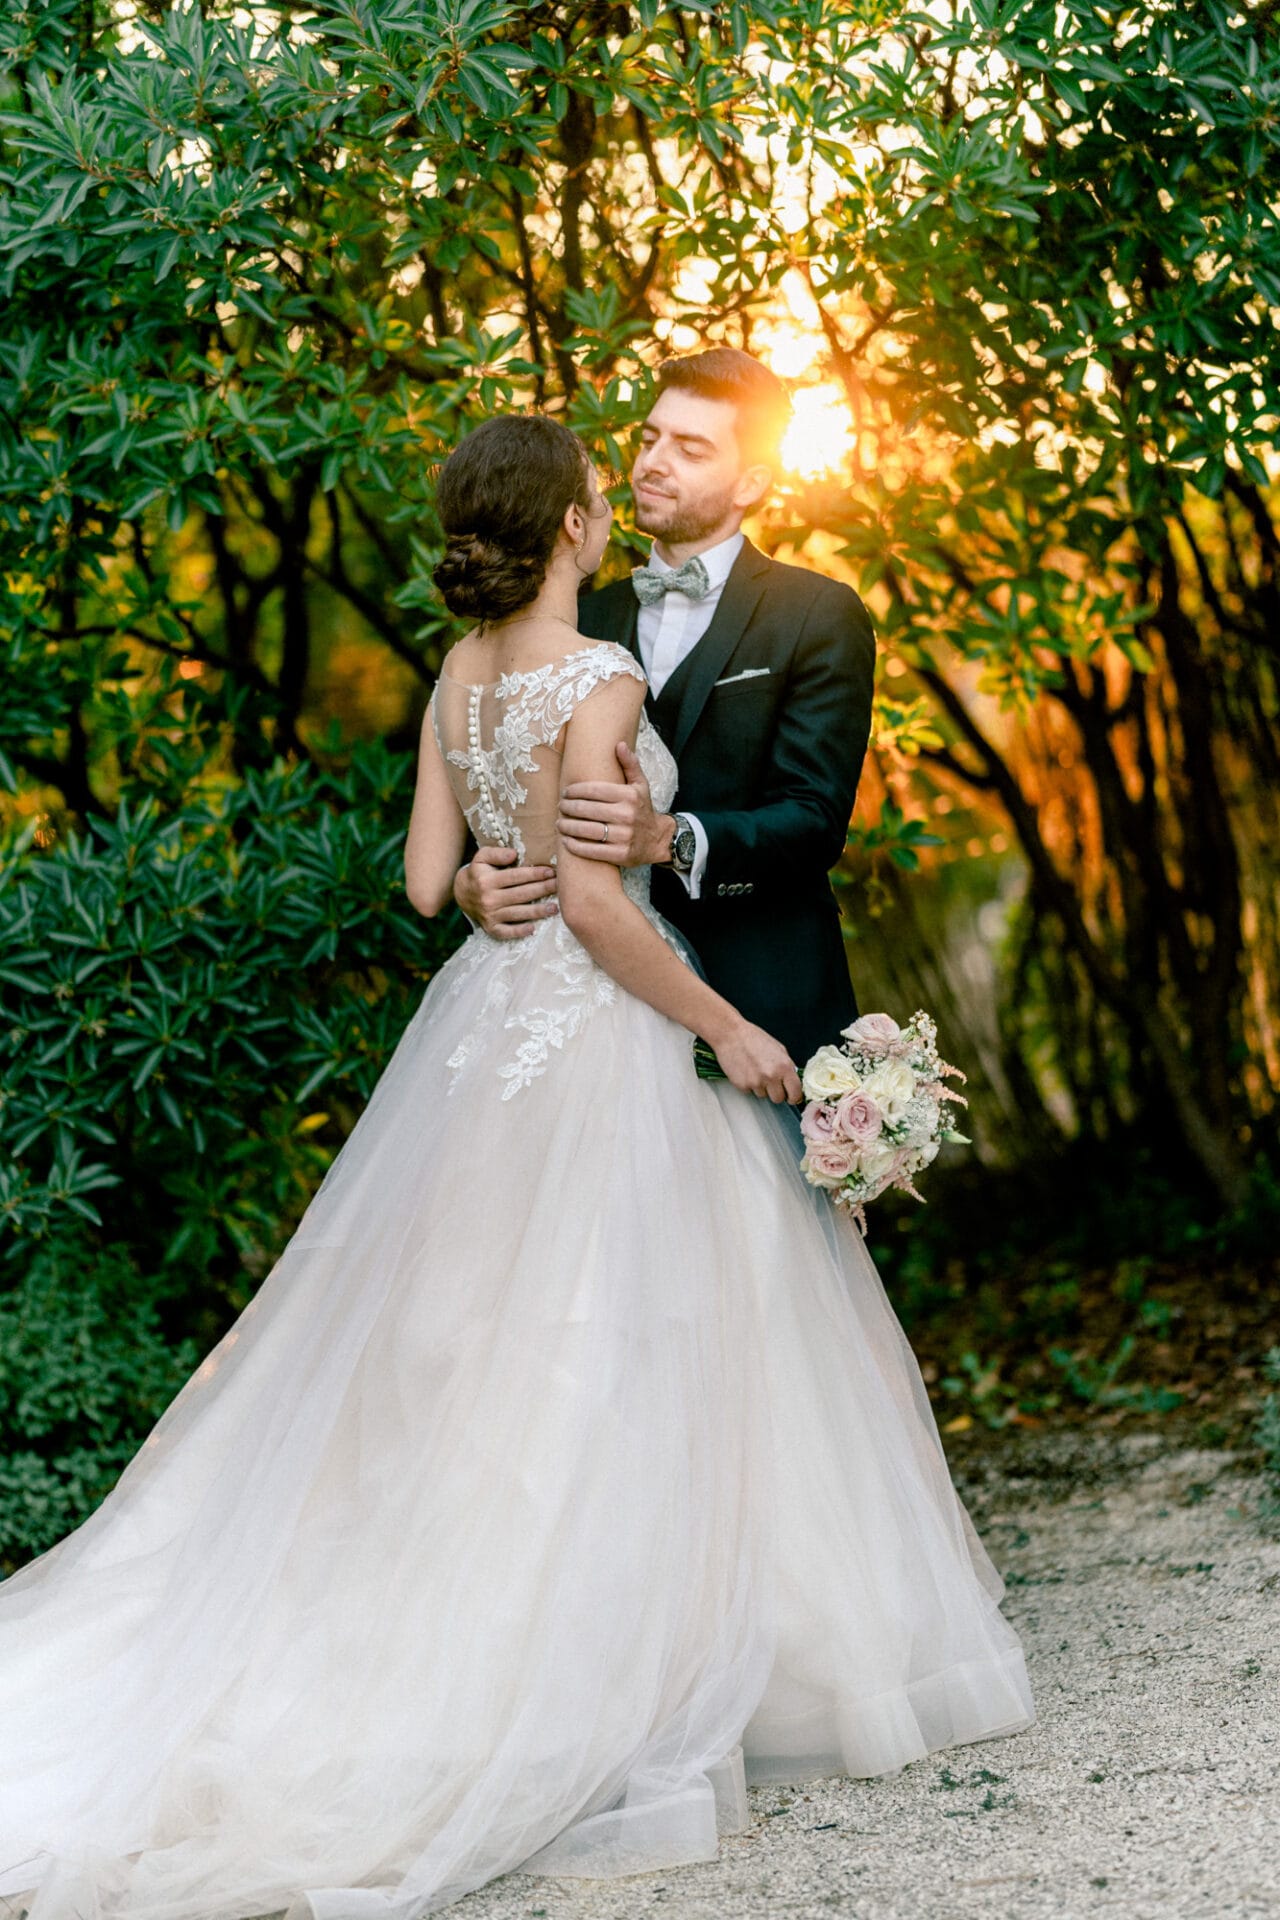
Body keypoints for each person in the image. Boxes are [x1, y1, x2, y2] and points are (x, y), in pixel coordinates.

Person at [0, 413, 1033, 1920]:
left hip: (483, 1038)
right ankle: (614, 1667)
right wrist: (732, 1029)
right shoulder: (598, 670)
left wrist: (492, 870)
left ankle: (544, 1634)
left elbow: (430, 880)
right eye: (603, 492)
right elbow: (609, 917)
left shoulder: (459, 673)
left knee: (484, 1345)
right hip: (607, 1031)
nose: (619, 504)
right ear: (565, 528)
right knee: (628, 1336)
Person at [454, 348, 875, 1073]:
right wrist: (476, 881)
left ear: (752, 482)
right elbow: (510, 783)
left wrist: (670, 839)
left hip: (763, 1002)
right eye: (650, 437)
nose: (652, 462)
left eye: (690, 448)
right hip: (595, 1020)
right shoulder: (575, 619)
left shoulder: (818, 614)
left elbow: (814, 820)